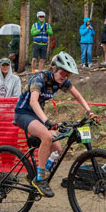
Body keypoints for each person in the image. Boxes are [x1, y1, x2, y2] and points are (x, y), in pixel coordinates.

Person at [13, 52, 98, 198]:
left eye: (68, 74)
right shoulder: (39, 78)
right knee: (47, 137)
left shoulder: (62, 81)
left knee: (57, 149)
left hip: (37, 115)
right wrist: (47, 122)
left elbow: (77, 96)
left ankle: (36, 175)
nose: (65, 76)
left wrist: (90, 112)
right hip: (23, 113)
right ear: (54, 68)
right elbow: (33, 102)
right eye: (63, 72)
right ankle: (40, 179)